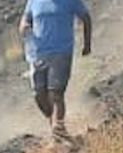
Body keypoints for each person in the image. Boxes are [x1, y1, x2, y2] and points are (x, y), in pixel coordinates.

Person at [19, 0, 92, 142]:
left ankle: (59, 127)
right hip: (37, 54)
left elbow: (86, 17)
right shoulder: (34, 1)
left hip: (61, 51)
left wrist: (87, 44)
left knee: (56, 93)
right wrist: (24, 27)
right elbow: (25, 19)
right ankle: (53, 122)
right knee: (39, 95)